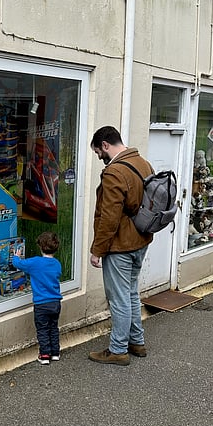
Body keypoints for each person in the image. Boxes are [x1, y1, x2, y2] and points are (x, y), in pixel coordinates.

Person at [89, 126, 153, 366]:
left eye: (98, 152)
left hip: (121, 246)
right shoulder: (143, 163)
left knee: (119, 298)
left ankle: (117, 349)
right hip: (141, 240)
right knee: (130, 293)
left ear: (105, 145)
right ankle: (137, 341)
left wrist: (98, 250)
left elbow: (109, 217)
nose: (99, 158)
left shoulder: (114, 172)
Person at [12, 232, 62, 365]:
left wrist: (15, 257)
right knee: (53, 327)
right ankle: (55, 352)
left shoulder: (35, 262)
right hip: (55, 303)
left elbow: (18, 264)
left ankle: (45, 354)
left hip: (41, 304)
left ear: (40, 246)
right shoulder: (57, 264)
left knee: (42, 329)